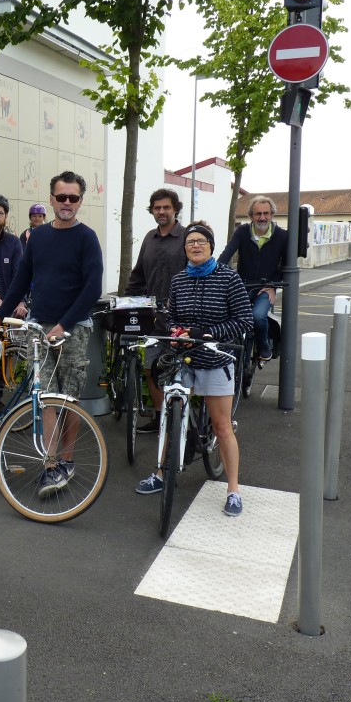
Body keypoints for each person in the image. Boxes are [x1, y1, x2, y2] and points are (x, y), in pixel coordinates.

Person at [0, 171, 104, 497]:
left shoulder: (87, 238)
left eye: (73, 198)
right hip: (39, 326)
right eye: (61, 197)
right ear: (50, 199)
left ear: (80, 201)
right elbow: (22, 279)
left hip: (73, 329)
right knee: (47, 398)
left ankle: (68, 460)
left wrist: (64, 325)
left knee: (69, 400)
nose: (66, 203)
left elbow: (93, 289)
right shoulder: (39, 237)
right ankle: (51, 466)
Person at [135, 222, 252, 517]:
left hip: (214, 359)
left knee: (222, 426)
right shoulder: (178, 281)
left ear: (211, 246)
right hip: (183, 359)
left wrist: (210, 333)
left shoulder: (229, 278)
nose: (195, 246)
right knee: (168, 419)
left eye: (201, 241)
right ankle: (161, 473)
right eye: (190, 243)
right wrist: (177, 332)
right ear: (184, 249)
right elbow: (170, 316)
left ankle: (234, 489)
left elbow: (244, 320)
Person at [123, 188, 187, 434]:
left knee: (180, 370)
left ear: (175, 209)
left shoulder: (186, 237)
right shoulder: (149, 238)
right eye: (157, 208)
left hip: (181, 319)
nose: (161, 211)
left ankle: (182, 421)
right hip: (152, 318)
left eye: (166, 207)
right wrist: (128, 304)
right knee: (152, 369)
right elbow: (138, 274)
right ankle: (161, 420)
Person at [217, 195, 288, 361]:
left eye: (266, 213)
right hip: (242, 285)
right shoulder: (242, 232)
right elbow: (227, 254)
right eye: (258, 214)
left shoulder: (283, 236)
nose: (262, 217)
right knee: (227, 316)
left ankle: (263, 346)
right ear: (251, 216)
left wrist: (273, 286)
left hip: (266, 287)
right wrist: (217, 272)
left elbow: (285, 266)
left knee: (257, 316)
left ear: (272, 215)